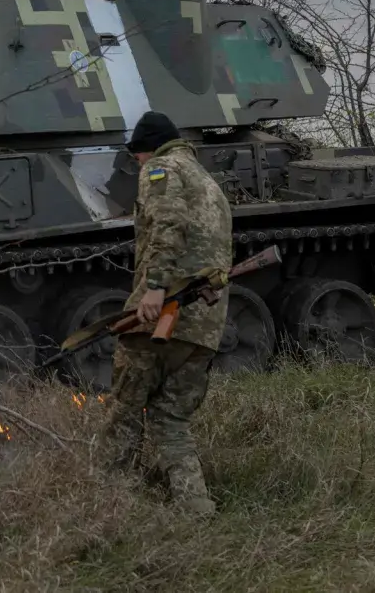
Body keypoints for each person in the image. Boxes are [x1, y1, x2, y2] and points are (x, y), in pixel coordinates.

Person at [102, 110, 233, 517]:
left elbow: (167, 223)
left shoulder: (160, 168)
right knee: (171, 420)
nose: (138, 164)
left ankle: (104, 503)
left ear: (146, 149)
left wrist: (155, 288)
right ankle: (196, 505)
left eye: (137, 156)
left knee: (123, 414)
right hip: (205, 327)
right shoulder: (207, 181)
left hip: (160, 317)